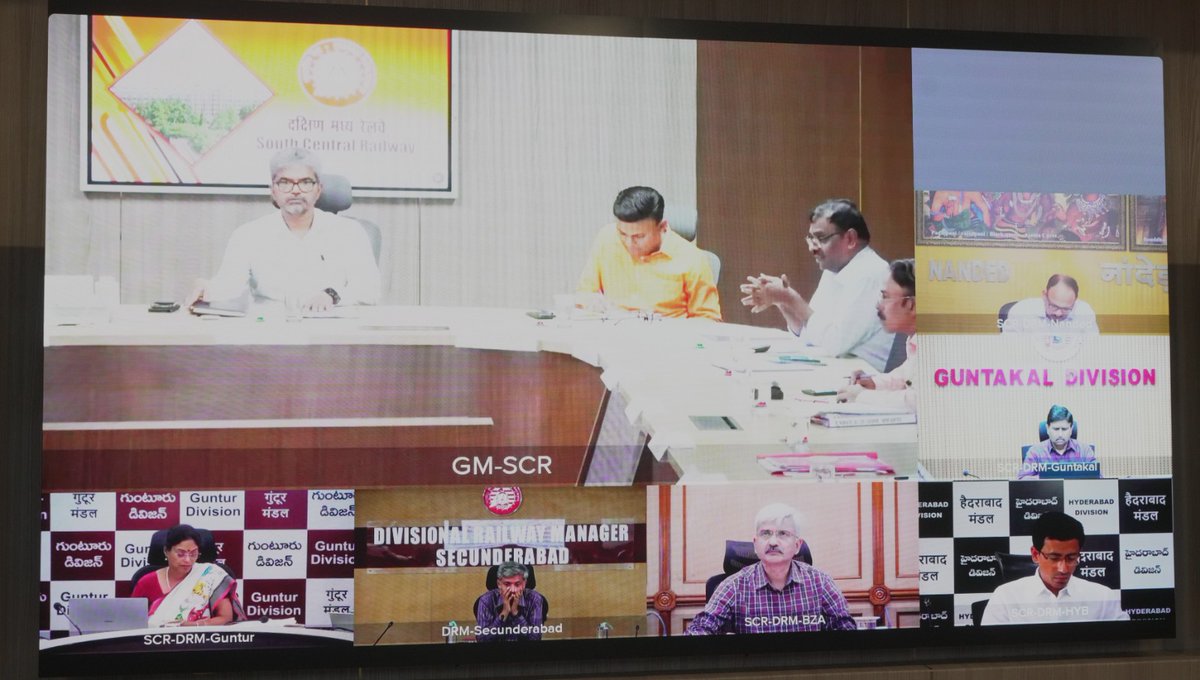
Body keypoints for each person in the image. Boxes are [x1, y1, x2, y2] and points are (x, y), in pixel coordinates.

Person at [189, 147, 381, 311]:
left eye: (305, 182)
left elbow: (370, 290)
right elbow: (229, 285)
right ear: (273, 190)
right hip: (271, 336)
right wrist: (208, 288)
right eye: (285, 182)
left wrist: (332, 295)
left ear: (318, 189)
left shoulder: (349, 232)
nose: (296, 190)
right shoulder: (248, 235)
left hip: (331, 333)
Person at [740, 199, 894, 371]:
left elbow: (834, 343)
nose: (812, 248)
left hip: (867, 379)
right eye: (811, 238)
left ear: (850, 239)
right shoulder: (834, 269)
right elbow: (811, 336)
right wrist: (782, 301)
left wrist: (792, 299)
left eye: (821, 238)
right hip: (838, 368)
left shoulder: (871, 273)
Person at [685, 503, 856, 635]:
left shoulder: (821, 582)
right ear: (755, 543)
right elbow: (702, 628)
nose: (773, 542)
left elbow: (846, 629)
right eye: (766, 533)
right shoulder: (734, 586)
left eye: (783, 534)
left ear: (797, 545)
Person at [576, 186, 721, 320]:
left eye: (639, 237)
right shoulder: (607, 238)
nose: (629, 243)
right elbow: (585, 294)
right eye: (622, 233)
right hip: (613, 333)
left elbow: (708, 319)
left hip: (665, 340)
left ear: (662, 227)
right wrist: (591, 303)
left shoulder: (691, 259)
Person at [981, 512, 1127, 625]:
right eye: (1054, 558)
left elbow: (1124, 645)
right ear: (1035, 554)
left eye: (1071, 558)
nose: (1063, 569)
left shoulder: (1102, 597)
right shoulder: (1005, 597)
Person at [837, 258, 916, 411]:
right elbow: (906, 375)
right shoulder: (918, 339)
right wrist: (874, 383)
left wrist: (862, 396)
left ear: (911, 305)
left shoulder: (938, 346)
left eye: (886, 297)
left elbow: (921, 401)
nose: (879, 305)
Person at [131, 524, 237, 627]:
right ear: (166, 551)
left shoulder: (211, 575)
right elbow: (133, 623)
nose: (187, 560)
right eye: (180, 554)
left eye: (193, 554)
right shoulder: (145, 583)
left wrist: (193, 625)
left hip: (203, 642)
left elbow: (226, 618)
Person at [1018, 405, 1097, 479]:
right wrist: (1051, 476)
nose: (1060, 434)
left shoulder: (1085, 450)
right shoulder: (1035, 452)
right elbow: (1022, 480)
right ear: (1047, 428)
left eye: (1064, 429)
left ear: (1071, 429)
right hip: (1046, 493)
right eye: (1056, 429)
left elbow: (1098, 479)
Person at [1001, 274, 1098, 335]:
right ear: (1044, 295)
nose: (1058, 313)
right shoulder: (1021, 311)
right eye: (1054, 306)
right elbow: (1009, 350)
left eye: (1066, 309)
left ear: (1075, 300)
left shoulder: (1085, 312)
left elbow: (1092, 350)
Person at [474, 562, 547, 641]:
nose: (512, 590)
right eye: (507, 584)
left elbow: (535, 638)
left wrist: (516, 613)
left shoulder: (535, 599)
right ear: (499, 584)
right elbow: (481, 639)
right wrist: (504, 612)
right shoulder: (486, 600)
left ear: (524, 584)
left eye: (517, 584)